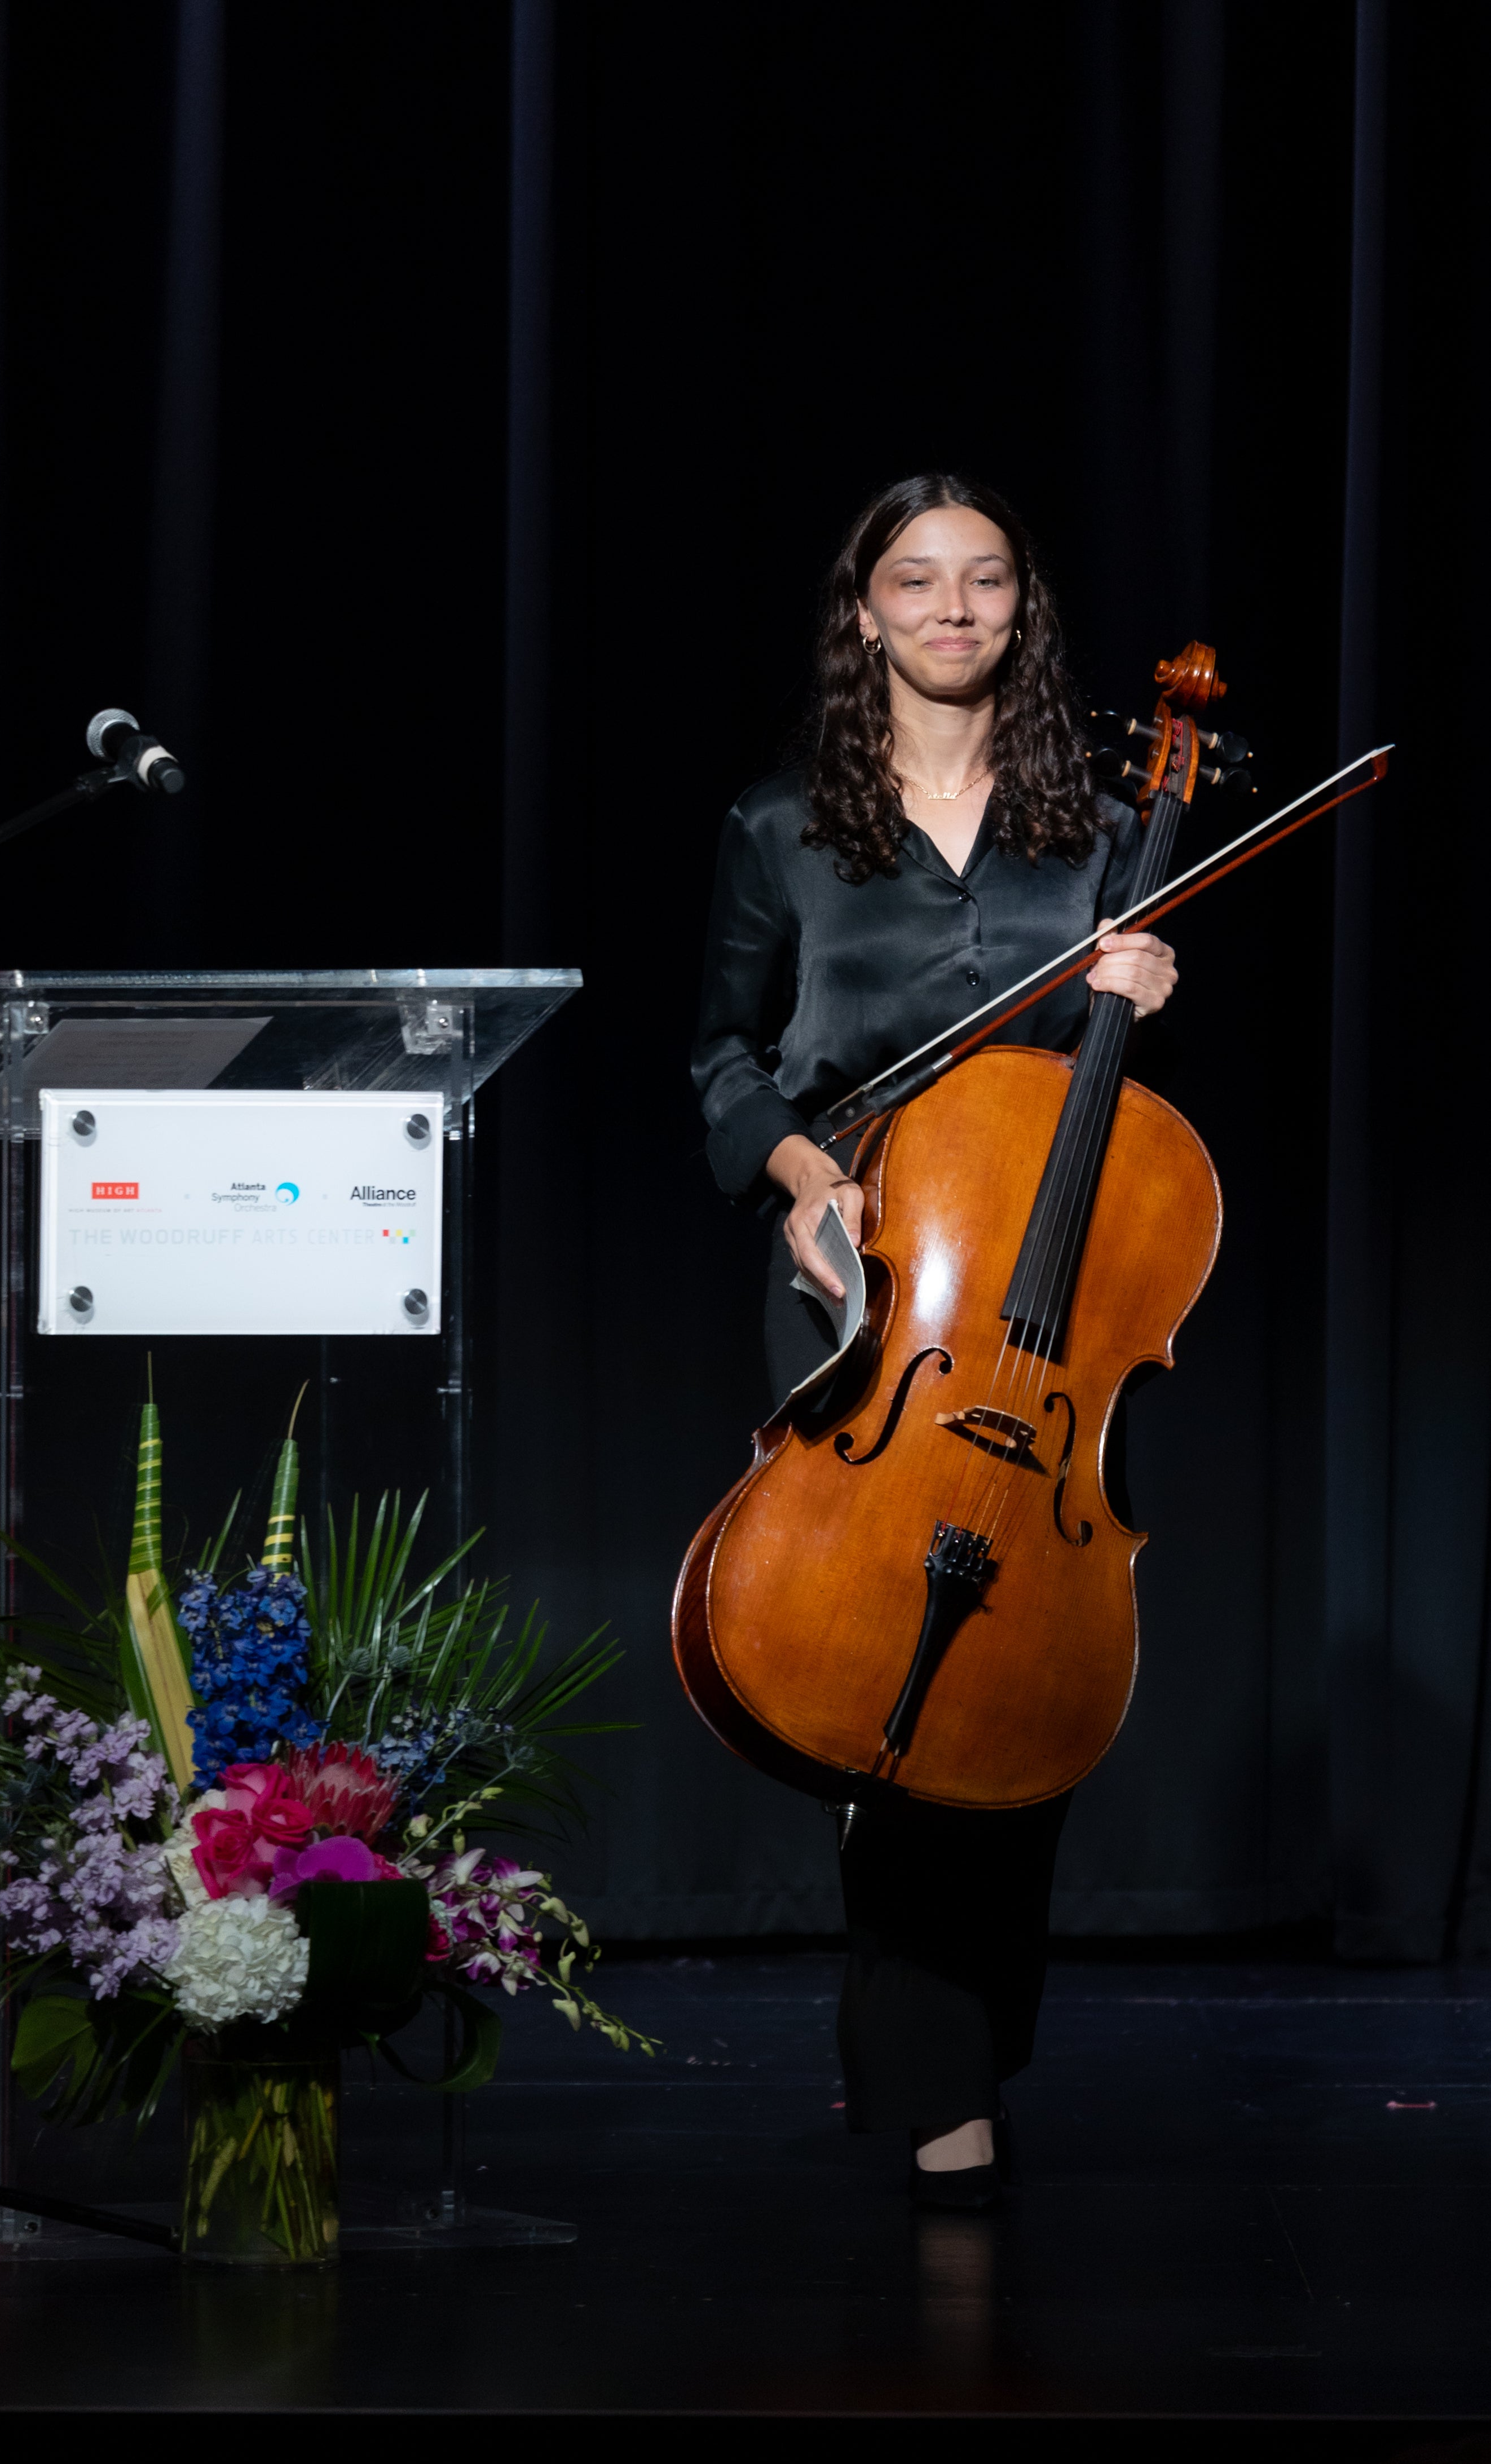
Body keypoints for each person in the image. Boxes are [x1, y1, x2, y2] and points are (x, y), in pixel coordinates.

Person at [691, 471, 1177, 2208]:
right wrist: (806, 1172)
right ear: (866, 612)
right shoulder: (780, 826)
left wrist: (1138, 994)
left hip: (1043, 1307)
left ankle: (943, 2045)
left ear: (1019, 612)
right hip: (858, 1290)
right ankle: (938, 2085)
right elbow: (721, 1057)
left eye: (983, 581)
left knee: (1016, 1681)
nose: (952, 609)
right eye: (917, 581)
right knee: (881, 1688)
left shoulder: (1102, 827)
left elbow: (1103, 1106)